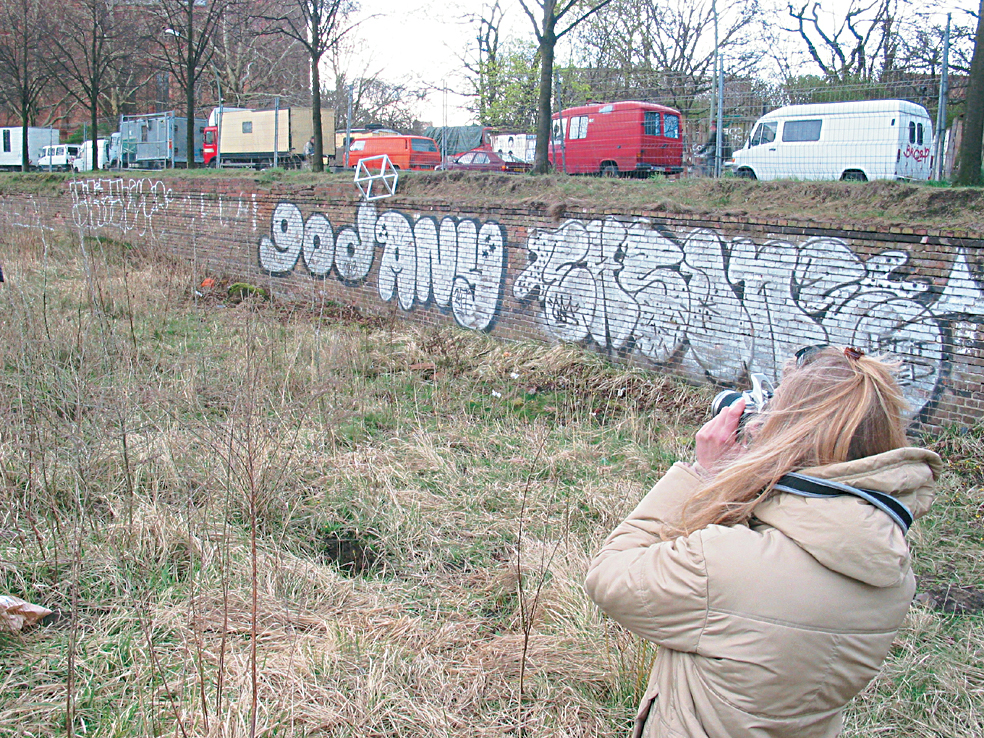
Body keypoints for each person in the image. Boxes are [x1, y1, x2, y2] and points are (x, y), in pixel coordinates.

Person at [585, 345, 942, 738]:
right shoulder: (892, 576)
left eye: (772, 410)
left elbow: (609, 575)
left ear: (791, 433)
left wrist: (705, 474)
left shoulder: (725, 563)